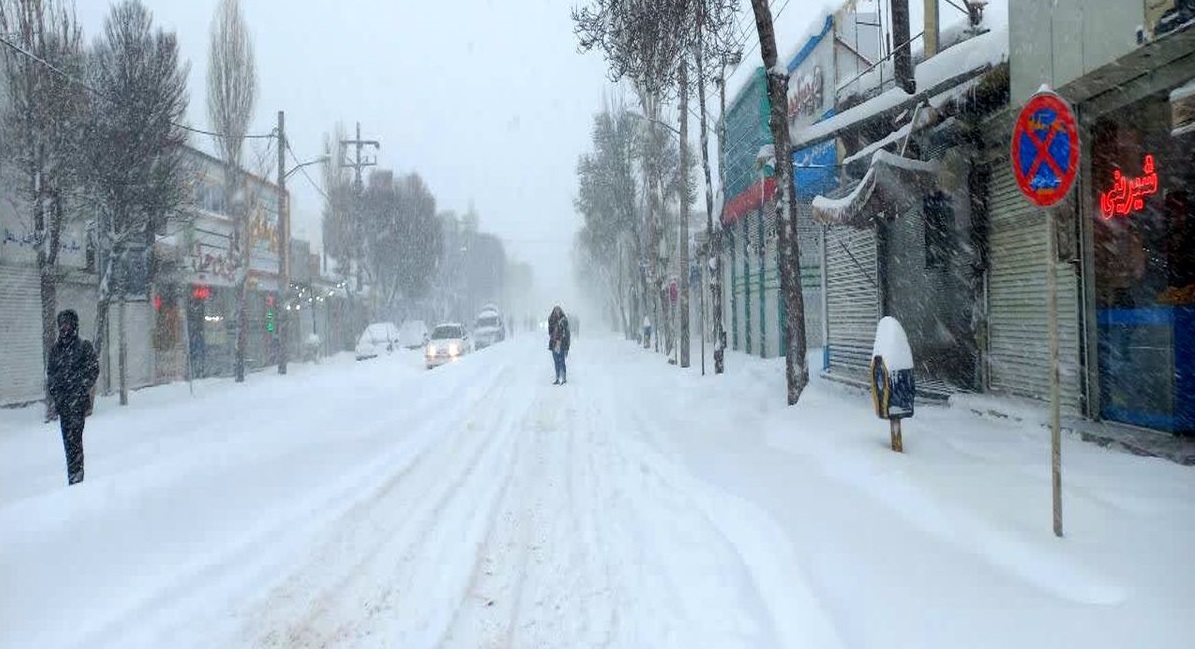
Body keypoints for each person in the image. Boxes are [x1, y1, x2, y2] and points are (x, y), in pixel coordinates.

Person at [47, 309, 99, 485]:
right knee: (67, 443)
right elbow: (51, 376)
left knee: (75, 441)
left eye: (68, 323)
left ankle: (77, 477)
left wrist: (80, 388)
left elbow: (93, 370)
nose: (64, 327)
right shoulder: (55, 350)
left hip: (77, 405)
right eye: (62, 323)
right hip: (64, 406)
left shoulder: (83, 347)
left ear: (74, 324)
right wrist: (58, 396)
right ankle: (73, 476)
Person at [547, 305, 571, 385]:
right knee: (556, 361)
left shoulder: (564, 321)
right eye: (555, 311)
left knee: (562, 361)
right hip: (554, 343)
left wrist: (567, 346)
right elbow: (549, 332)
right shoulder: (551, 320)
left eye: (558, 311)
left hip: (562, 343)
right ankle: (557, 377)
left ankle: (563, 378)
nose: (557, 312)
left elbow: (567, 334)